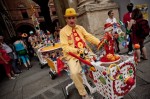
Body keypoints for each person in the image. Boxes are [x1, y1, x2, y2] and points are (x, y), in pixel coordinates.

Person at [60, 8, 100, 99]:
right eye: (69, 18)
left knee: (97, 63)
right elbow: (65, 47)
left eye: (73, 17)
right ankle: (84, 94)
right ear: (66, 19)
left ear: (75, 18)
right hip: (72, 55)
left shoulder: (80, 28)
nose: (71, 20)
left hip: (85, 52)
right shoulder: (62, 31)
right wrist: (77, 51)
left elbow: (88, 36)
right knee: (74, 73)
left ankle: (98, 82)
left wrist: (99, 42)